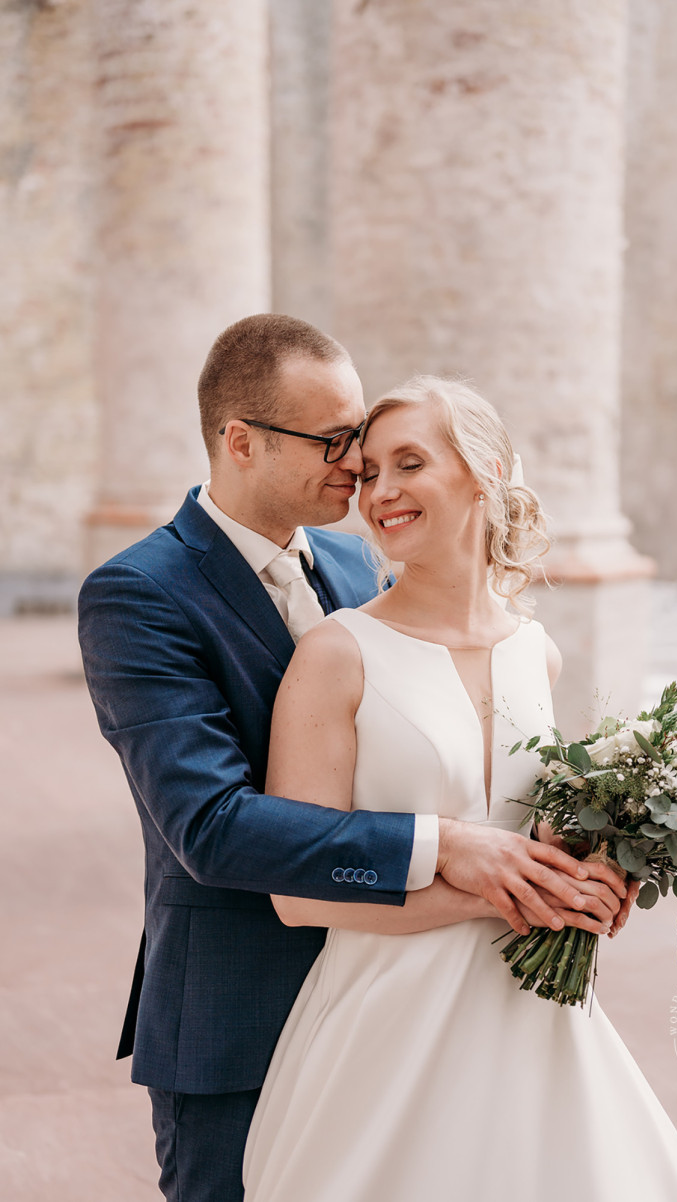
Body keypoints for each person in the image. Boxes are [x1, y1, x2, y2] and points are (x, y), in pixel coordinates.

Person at [78, 316, 631, 1202]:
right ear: (242, 441)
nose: (355, 466)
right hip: (241, 1010)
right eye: (335, 441)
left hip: (433, 997)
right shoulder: (139, 593)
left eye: (366, 446)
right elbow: (209, 825)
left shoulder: (360, 562)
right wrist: (450, 846)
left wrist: (579, 867)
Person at [242, 376, 677, 1202]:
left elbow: (538, 838)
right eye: (369, 474)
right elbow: (297, 893)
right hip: (386, 1031)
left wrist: (591, 877)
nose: (381, 492)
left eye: (410, 463)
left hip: (537, 1022)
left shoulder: (538, 652)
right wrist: (506, 892)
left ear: (485, 472)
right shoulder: (336, 653)